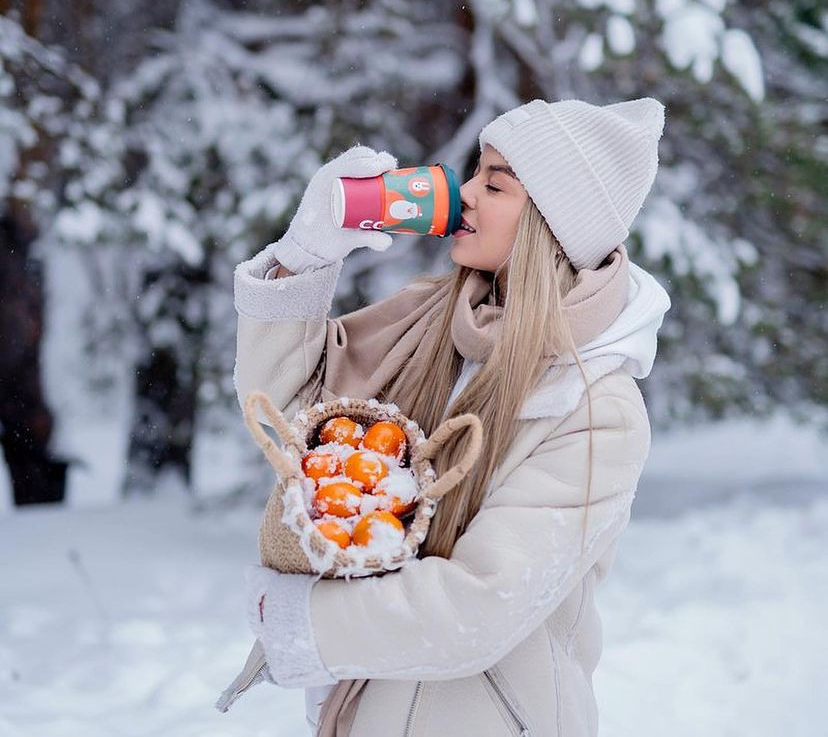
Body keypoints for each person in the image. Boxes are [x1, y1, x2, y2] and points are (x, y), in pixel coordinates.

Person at [217, 97, 672, 736]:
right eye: (476, 172)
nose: (466, 194)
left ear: (552, 225)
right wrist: (304, 253)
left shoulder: (597, 408)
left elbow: (479, 605)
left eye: (496, 184)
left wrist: (305, 620)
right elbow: (289, 406)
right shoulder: (429, 322)